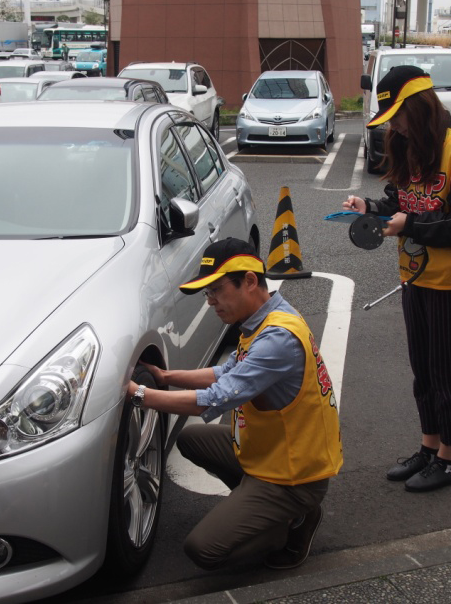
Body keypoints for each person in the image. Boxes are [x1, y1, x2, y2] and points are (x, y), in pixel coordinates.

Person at [127, 237, 343, 570]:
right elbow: (227, 371)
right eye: (207, 293)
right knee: (190, 439)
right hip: (271, 453)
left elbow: (214, 399)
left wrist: (140, 394)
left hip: (293, 475)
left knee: (203, 549)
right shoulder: (265, 316)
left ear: (250, 281)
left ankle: (288, 523)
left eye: (216, 290)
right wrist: (166, 377)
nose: (210, 301)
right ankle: (259, 507)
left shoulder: (278, 339)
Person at [342, 65, 451, 493]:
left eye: (398, 115)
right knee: (423, 370)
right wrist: (370, 207)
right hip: (418, 277)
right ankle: (429, 449)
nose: (394, 126)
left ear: (419, 107)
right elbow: (400, 201)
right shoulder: (411, 149)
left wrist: (407, 226)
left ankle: (448, 460)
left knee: (448, 370)